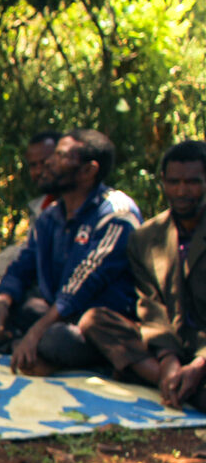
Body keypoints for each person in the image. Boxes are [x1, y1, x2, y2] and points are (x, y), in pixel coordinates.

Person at [0, 129, 140, 375]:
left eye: (60, 157)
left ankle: (48, 352)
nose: (48, 164)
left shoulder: (116, 214)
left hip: (91, 325)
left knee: (55, 339)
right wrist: (2, 302)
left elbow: (81, 287)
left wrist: (36, 332)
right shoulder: (51, 214)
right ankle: (22, 348)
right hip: (52, 312)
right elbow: (22, 265)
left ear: (88, 171)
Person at [80, 140, 206, 409]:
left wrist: (200, 364)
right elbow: (151, 306)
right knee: (96, 320)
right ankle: (172, 381)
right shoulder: (147, 237)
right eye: (174, 182)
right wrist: (169, 359)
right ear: (162, 182)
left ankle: (174, 382)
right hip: (173, 342)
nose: (182, 191)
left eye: (192, 182)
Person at [24, 130, 63, 224]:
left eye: (45, 163)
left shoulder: (90, 207)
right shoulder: (38, 209)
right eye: (33, 165)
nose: (38, 171)